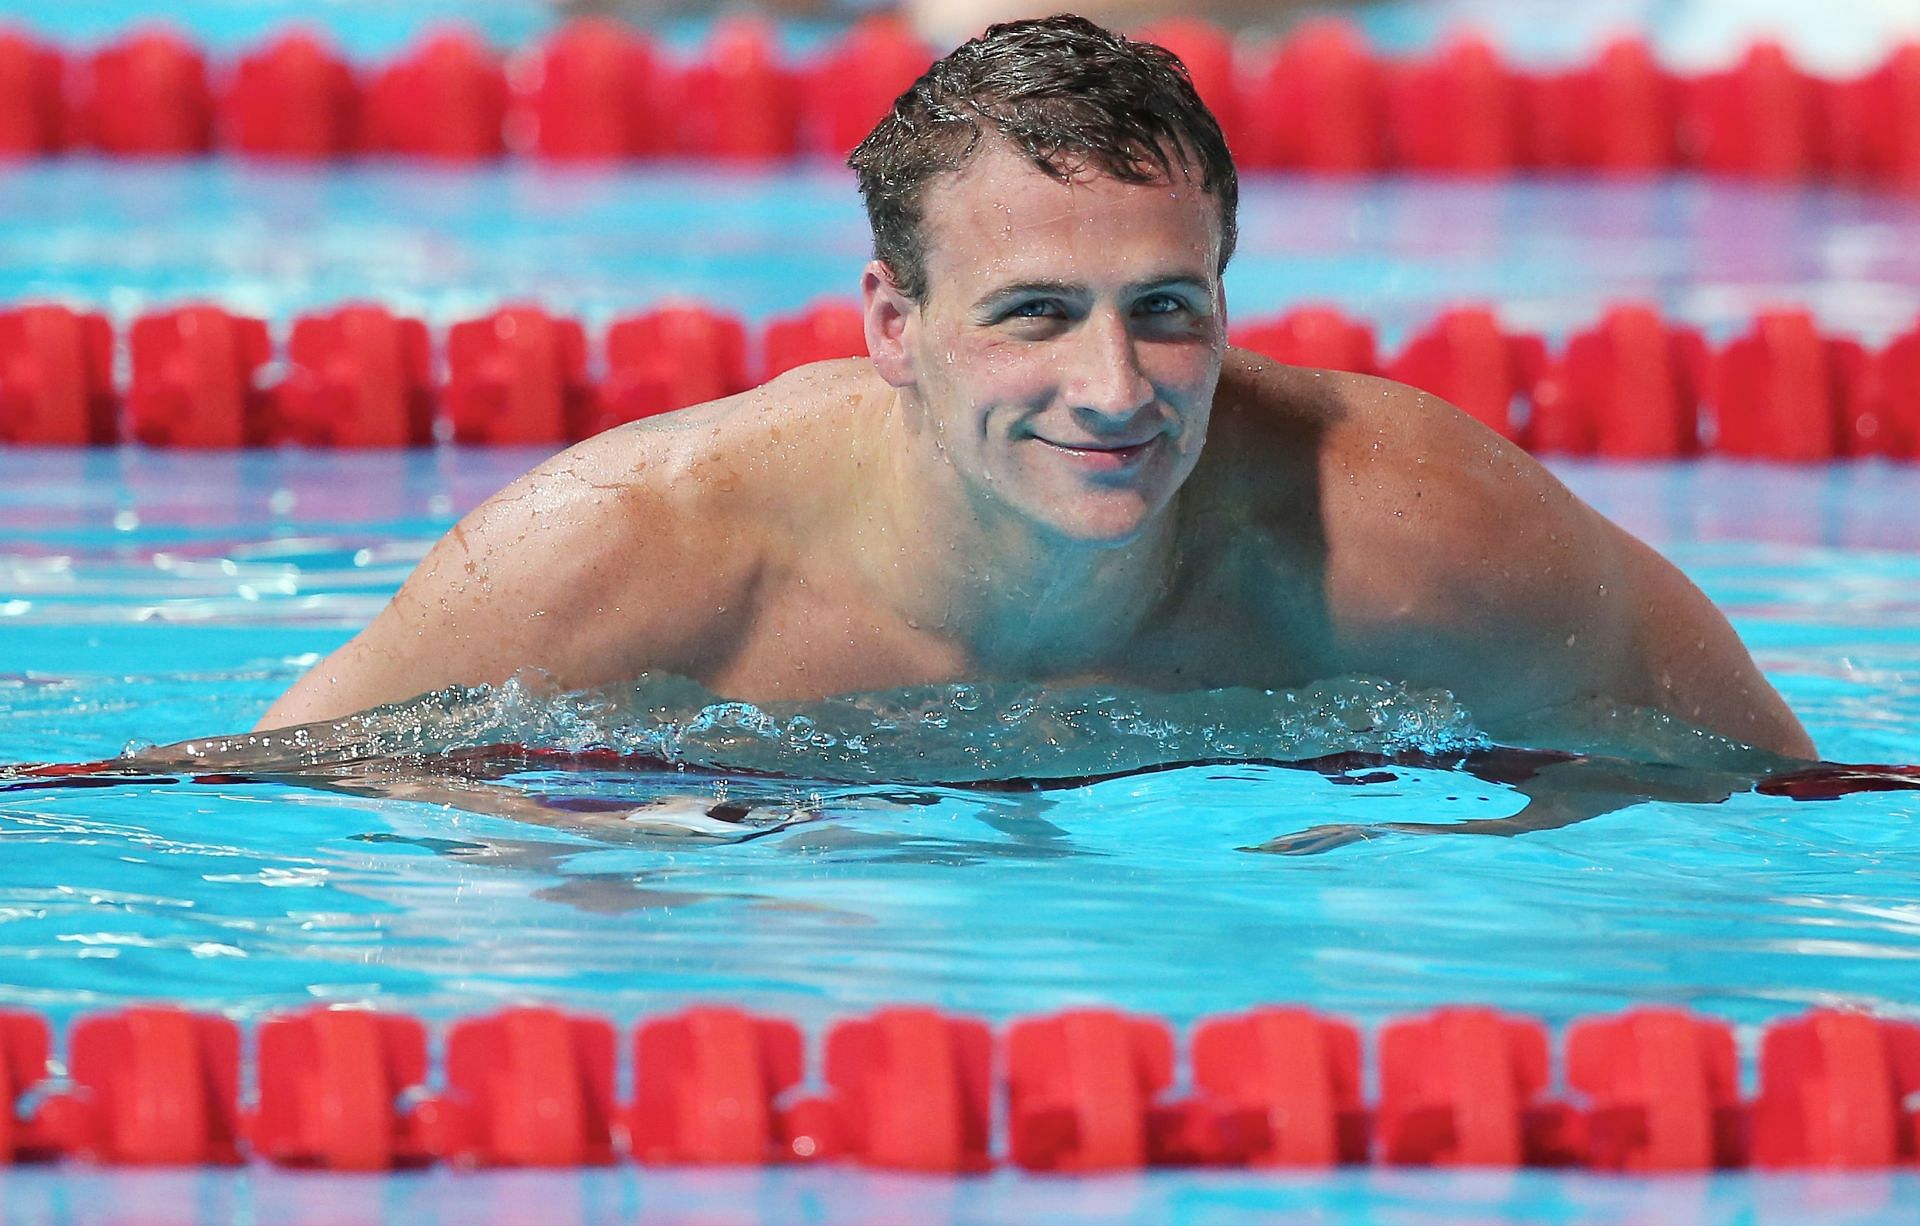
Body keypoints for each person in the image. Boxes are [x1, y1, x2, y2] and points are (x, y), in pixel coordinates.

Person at [257, 14, 1815, 763]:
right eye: (1033, 314)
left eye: (1164, 310)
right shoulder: (630, 548)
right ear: (891, 318)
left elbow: (1774, 787)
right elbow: (263, 792)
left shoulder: (1415, 528)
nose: (1115, 386)